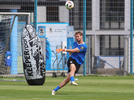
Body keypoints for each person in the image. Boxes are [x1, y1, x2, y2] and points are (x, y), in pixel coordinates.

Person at [52, 31, 87, 95]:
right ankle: (72, 80)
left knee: (66, 80)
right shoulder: (75, 43)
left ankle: (54, 90)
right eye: (76, 36)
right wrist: (70, 52)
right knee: (72, 67)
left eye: (78, 36)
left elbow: (75, 50)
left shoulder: (84, 46)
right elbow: (73, 51)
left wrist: (63, 50)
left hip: (78, 63)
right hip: (72, 59)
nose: (77, 38)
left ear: (81, 36)